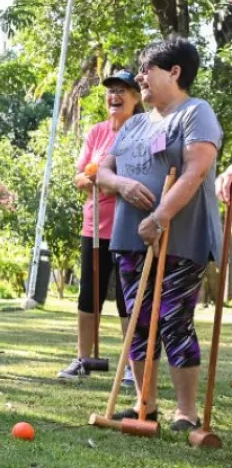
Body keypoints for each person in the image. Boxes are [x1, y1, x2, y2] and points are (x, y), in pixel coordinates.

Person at [96, 37, 223, 432]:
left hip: (181, 237)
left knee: (173, 320)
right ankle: (144, 404)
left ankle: (185, 412)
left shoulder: (195, 113)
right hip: (130, 237)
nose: (139, 77)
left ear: (174, 72)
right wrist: (121, 184)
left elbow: (195, 170)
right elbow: (102, 172)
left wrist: (160, 217)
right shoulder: (134, 123)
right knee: (137, 320)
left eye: (146, 69)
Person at [57, 71, 142, 383]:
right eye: (110, 91)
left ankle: (132, 366)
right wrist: (100, 179)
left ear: (136, 97)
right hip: (95, 228)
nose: (114, 96)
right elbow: (81, 177)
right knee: (88, 296)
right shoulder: (97, 132)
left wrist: (107, 181)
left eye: (122, 91)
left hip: (130, 228)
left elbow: (138, 179)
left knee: (127, 299)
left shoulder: (143, 131)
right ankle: (83, 359)